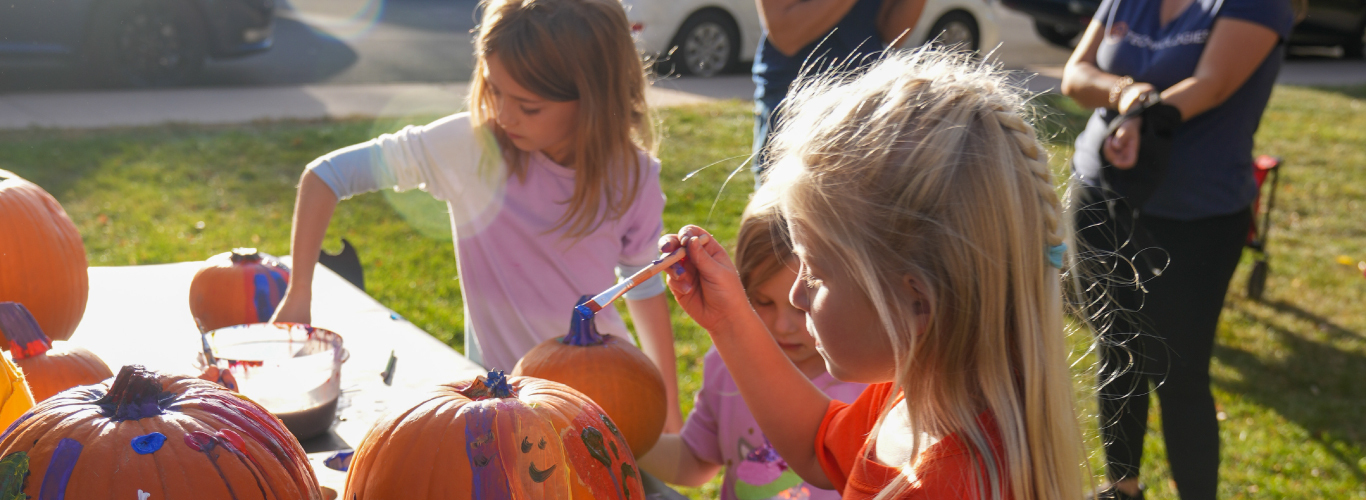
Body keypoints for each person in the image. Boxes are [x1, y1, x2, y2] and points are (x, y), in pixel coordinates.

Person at [660, 49, 1085, 500]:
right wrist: (730, 319)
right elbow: (816, 445)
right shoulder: (925, 394)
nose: (799, 296)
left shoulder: (943, 485)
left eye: (816, 274)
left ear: (917, 303)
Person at [271, 0, 684, 431]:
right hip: (498, 413)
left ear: (593, 98)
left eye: (529, 107)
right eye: (496, 91)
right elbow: (325, 176)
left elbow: (643, 288)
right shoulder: (470, 149)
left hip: (598, 404)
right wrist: (300, 291)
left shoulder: (633, 176)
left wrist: (667, 409)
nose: (504, 116)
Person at [1061, 0, 1294, 498]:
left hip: (1196, 215)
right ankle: (1121, 488)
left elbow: (1211, 85)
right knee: (1116, 350)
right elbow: (1075, 75)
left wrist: (1141, 113)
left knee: (1180, 375)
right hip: (1100, 195)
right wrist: (1128, 94)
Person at [638, 189, 866, 500]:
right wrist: (620, 430)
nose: (783, 326)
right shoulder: (727, 363)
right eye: (762, 301)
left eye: (803, 304)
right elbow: (694, 461)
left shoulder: (871, 385)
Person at [751, 0, 926, 185]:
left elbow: (892, 34)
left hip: (864, 97)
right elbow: (786, 36)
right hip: (794, 100)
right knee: (785, 210)